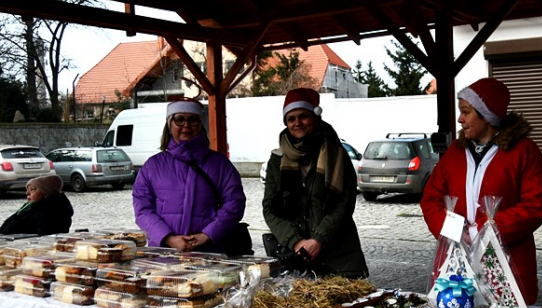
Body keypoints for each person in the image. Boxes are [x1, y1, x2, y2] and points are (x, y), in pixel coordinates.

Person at [420, 78, 542, 305]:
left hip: (509, 263)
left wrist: (484, 230)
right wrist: (452, 229)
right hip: (457, 260)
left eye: (466, 112)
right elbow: (431, 198)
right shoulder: (455, 153)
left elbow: (535, 205)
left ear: (486, 114)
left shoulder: (524, 151)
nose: (460, 119)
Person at [262, 88, 368, 278]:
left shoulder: (336, 154)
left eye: (303, 116)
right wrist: (296, 241)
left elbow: (345, 202)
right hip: (296, 256)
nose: (297, 123)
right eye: (291, 119)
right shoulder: (277, 160)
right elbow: (270, 209)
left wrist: (318, 240)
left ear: (315, 117)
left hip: (339, 258)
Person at [133, 99, 247, 254]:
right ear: (169, 124)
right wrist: (168, 238)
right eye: (179, 119)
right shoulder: (152, 166)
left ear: (200, 125)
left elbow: (234, 203)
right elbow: (142, 209)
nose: (186, 125)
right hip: (164, 254)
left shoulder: (220, 164)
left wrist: (206, 235)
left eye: (192, 120)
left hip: (209, 253)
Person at [0, 175, 72, 235]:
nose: (27, 193)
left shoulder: (51, 211)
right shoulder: (31, 206)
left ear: (46, 193)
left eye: (32, 189)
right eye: (27, 190)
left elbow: (43, 237)